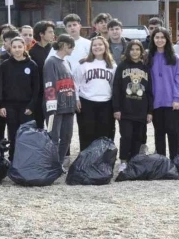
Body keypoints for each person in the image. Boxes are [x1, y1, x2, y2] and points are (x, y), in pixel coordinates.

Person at [113, 40, 153, 170]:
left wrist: (150, 111)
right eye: (132, 49)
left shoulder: (145, 68)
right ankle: (123, 160)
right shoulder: (122, 66)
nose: (135, 52)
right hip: (125, 109)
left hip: (141, 109)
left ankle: (134, 161)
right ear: (128, 51)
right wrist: (117, 108)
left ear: (141, 52)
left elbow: (150, 91)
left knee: (138, 136)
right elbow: (116, 88)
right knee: (126, 136)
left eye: (137, 49)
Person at [0, 37, 40, 161]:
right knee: (13, 134)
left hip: (26, 107)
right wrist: (2, 105)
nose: (17, 50)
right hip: (10, 106)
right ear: (10, 49)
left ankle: (26, 160)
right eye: (14, 47)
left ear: (24, 48)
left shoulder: (31, 65)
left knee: (26, 134)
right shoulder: (5, 65)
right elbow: (0, 87)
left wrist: (31, 106)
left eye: (19, 47)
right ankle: (13, 159)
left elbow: (36, 88)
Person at [74, 36, 117, 151]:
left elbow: (114, 86)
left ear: (105, 47)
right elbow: (75, 83)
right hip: (86, 102)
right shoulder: (83, 64)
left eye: (100, 44)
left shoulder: (112, 65)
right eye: (94, 45)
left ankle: (104, 161)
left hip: (106, 103)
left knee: (105, 133)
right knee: (87, 133)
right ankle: (86, 161)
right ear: (91, 48)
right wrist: (76, 99)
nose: (97, 47)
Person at [148, 27, 179, 158]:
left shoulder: (174, 58)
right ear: (153, 39)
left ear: (167, 39)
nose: (159, 40)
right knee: (159, 132)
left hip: (172, 102)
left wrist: (177, 98)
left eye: (162, 37)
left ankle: (175, 160)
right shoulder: (149, 57)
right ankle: (161, 161)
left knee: (173, 132)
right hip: (156, 102)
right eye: (157, 37)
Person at [43, 34, 76, 169]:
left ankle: (59, 163)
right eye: (71, 46)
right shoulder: (51, 62)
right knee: (54, 138)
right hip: (56, 108)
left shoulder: (67, 62)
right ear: (64, 45)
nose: (73, 49)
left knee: (67, 137)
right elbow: (49, 84)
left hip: (69, 106)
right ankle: (52, 165)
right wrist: (51, 107)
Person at [29, 21, 55, 129]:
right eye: (50, 32)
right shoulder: (31, 52)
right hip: (38, 93)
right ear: (41, 34)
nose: (53, 34)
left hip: (53, 92)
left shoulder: (55, 50)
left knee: (53, 124)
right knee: (38, 124)